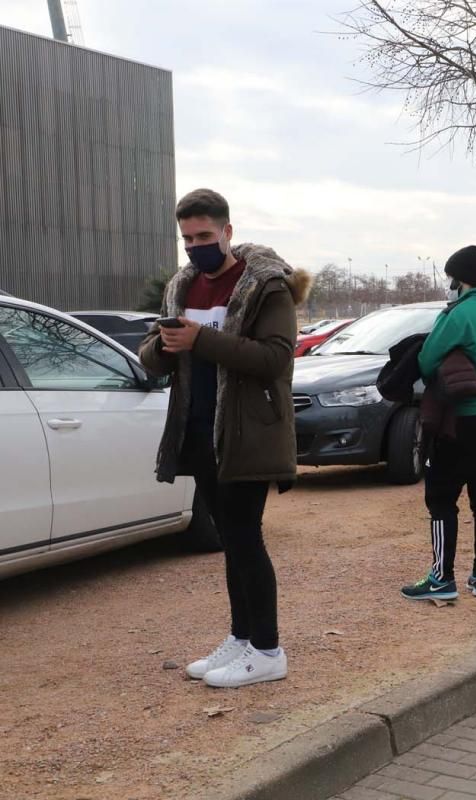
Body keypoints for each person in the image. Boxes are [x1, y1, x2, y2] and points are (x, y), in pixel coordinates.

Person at [138, 188, 309, 688]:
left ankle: (268, 649)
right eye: (187, 238)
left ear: (227, 232)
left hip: (248, 433)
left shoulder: (266, 287)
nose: (195, 246)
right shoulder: (182, 288)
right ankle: (241, 639)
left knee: (244, 537)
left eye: (205, 236)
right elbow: (152, 356)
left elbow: (276, 358)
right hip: (199, 430)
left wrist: (200, 339)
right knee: (231, 543)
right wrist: (166, 347)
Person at [401, 246, 476, 601]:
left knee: (441, 496)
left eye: (451, 277)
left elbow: (428, 359)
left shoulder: (458, 314)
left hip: (463, 417)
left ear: (459, 278)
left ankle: (441, 578)